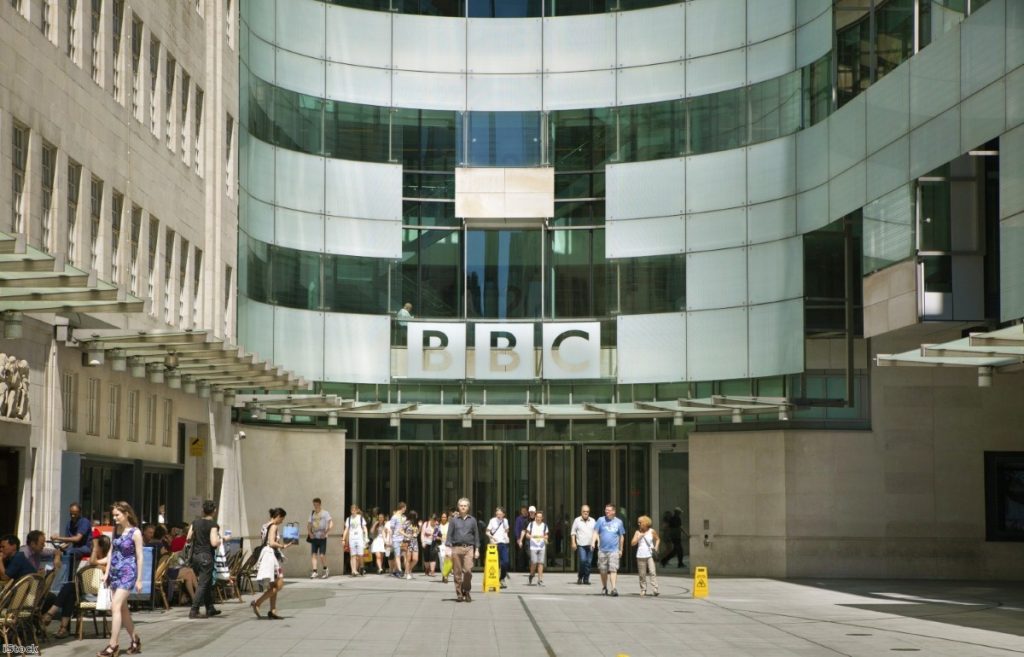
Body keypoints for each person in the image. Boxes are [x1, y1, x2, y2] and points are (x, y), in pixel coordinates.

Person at [41, 535, 111, 638]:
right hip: (85, 593)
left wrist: (95, 550)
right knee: (70, 593)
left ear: (100, 547)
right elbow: (81, 576)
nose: (91, 548)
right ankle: (63, 628)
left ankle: (51, 613)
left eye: (94, 546)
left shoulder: (107, 562)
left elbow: (92, 564)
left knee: (69, 588)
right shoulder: (94, 559)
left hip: (99, 596)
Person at [97, 501, 143, 657]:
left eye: (117, 515)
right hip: (115, 573)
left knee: (115, 607)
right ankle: (135, 639)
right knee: (123, 610)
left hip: (128, 573)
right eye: (114, 515)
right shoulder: (116, 530)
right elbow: (111, 551)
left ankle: (113, 645)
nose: (114, 518)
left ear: (126, 514)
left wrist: (139, 579)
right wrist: (107, 572)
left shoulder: (135, 532)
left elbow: (140, 556)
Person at [186, 499, 223, 620]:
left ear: (202, 510)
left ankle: (210, 608)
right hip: (206, 556)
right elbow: (213, 542)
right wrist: (221, 539)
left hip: (195, 557)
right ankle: (194, 610)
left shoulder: (195, 522)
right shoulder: (213, 525)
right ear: (214, 511)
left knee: (206, 582)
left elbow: (188, 538)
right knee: (203, 583)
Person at [252, 508, 290, 620]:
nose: (282, 521)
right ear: (278, 516)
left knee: (274, 585)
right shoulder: (274, 526)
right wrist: (283, 546)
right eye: (282, 519)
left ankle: (273, 610)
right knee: (280, 584)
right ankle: (257, 602)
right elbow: (272, 542)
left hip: (267, 556)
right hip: (270, 557)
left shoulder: (265, 525)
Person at [445, 498, 479, 602]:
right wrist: (448, 548)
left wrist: (477, 549)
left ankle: (467, 590)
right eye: (461, 505)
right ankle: (459, 593)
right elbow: (449, 535)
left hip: (469, 548)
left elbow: (476, 535)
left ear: (468, 508)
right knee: (457, 572)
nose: (463, 507)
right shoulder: (454, 520)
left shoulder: (472, 520)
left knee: (468, 571)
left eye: (465, 505)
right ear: (458, 507)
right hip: (456, 548)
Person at [50, 502, 93, 576]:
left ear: (80, 513)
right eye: (71, 513)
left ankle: (67, 576)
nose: (73, 516)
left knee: (70, 551)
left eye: (75, 514)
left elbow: (77, 539)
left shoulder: (84, 522)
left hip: (86, 547)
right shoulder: (69, 524)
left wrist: (58, 537)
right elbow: (67, 542)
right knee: (57, 552)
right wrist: (60, 548)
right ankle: (56, 573)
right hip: (75, 548)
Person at [594, 502, 626, 597]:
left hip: (614, 550)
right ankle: (604, 587)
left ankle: (614, 588)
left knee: (613, 569)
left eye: (608, 510)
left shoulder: (619, 522)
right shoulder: (600, 520)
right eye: (606, 510)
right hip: (602, 550)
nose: (606, 511)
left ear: (613, 511)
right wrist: (593, 542)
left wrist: (621, 549)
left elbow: (621, 536)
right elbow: (595, 532)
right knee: (603, 570)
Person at [631, 515, 660, 597]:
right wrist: (638, 537)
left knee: (652, 572)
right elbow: (632, 543)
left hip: (650, 554)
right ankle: (643, 589)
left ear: (645, 523)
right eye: (638, 522)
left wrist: (656, 547)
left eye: (640, 522)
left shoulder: (652, 531)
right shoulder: (637, 532)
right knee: (642, 574)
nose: (638, 524)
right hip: (640, 555)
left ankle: (655, 589)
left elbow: (658, 539)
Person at [308, 497, 334, 579]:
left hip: (322, 536)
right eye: (314, 505)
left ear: (320, 504)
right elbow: (309, 525)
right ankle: (315, 571)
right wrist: (310, 533)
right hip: (314, 536)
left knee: (322, 555)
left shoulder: (325, 513)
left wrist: (326, 532)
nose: (315, 506)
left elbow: (331, 523)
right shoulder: (312, 513)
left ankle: (325, 569)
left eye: (317, 505)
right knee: (313, 554)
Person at [570, 504, 596, 585]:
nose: (586, 513)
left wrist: (597, 542)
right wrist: (573, 543)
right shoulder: (577, 520)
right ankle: (580, 576)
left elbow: (596, 532)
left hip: (591, 545)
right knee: (583, 561)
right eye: (584, 511)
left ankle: (586, 579)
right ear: (581, 512)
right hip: (581, 545)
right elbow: (573, 532)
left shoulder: (593, 521)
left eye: (587, 512)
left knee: (588, 562)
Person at [521, 510, 548, 586]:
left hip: (542, 546)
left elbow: (546, 535)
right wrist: (531, 536)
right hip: (533, 546)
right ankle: (531, 574)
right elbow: (527, 535)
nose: (538, 518)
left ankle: (540, 579)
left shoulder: (544, 525)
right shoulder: (531, 524)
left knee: (541, 563)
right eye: (537, 517)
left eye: (540, 517)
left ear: (542, 518)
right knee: (534, 562)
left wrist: (545, 538)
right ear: (535, 517)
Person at [486, 507, 510, 587]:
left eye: (500, 514)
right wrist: (491, 537)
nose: (498, 515)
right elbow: (487, 532)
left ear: (503, 514)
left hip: (503, 543)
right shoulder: (492, 520)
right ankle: (495, 580)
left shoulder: (505, 521)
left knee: (505, 562)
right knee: (494, 563)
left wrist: (506, 536)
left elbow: (506, 530)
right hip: (494, 544)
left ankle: (502, 577)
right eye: (497, 514)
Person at [342, 504, 367, 577]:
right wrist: (343, 539)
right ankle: (354, 570)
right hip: (352, 538)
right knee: (352, 555)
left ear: (357, 510)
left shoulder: (360, 518)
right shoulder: (348, 519)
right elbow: (346, 529)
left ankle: (361, 566)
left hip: (359, 538)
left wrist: (366, 536)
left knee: (360, 555)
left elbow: (364, 527)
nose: (353, 512)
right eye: (352, 510)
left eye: (354, 510)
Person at [388, 502, 407, 579]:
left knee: (402, 555)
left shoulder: (404, 517)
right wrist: (390, 539)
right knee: (397, 555)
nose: (405, 509)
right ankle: (399, 570)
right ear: (402, 508)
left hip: (402, 538)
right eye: (405, 508)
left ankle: (396, 570)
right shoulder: (394, 517)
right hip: (396, 538)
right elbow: (391, 528)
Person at [514, 505, 535, 573]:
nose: (524, 512)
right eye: (523, 511)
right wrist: (518, 538)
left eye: (525, 511)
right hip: (522, 538)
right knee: (521, 554)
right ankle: (521, 568)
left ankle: (530, 568)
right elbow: (518, 529)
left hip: (531, 539)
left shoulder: (534, 519)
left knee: (529, 555)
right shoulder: (519, 519)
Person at [402, 510, 420, 580]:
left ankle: (408, 570)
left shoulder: (416, 523)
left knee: (415, 559)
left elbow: (417, 532)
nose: (417, 516)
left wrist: (420, 528)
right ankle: (408, 573)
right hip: (408, 541)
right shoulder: (407, 522)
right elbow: (400, 530)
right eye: (416, 515)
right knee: (408, 559)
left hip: (415, 542)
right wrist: (407, 535)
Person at [437, 511, 450, 583]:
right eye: (442, 517)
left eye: (445, 517)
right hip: (440, 545)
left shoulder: (450, 525)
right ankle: (443, 574)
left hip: (448, 545)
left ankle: (446, 576)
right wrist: (440, 538)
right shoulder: (438, 526)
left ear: (447, 518)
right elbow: (434, 536)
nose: (443, 518)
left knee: (447, 561)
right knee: (442, 561)